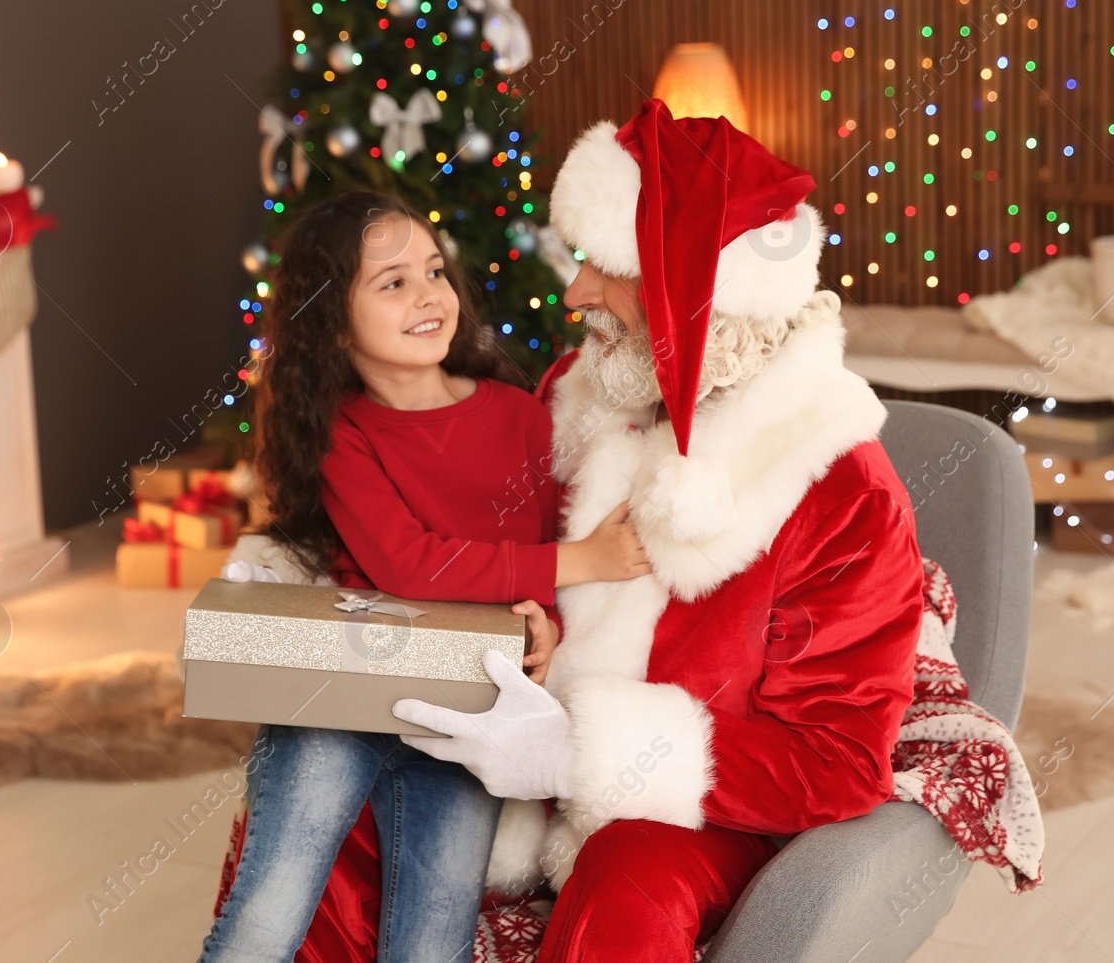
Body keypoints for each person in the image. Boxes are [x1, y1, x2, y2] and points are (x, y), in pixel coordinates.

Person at [388, 98, 930, 961]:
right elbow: (496, 551)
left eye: (604, 267)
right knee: (347, 813)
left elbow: (837, 762)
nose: (574, 294)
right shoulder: (577, 393)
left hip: (706, 813)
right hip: (518, 773)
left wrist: (579, 753)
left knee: (628, 879)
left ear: (697, 285)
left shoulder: (839, 485)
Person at [195, 188, 651, 963]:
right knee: (268, 913)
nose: (427, 293)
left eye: (434, 270)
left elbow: (545, 557)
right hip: (338, 703)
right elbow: (413, 562)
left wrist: (551, 620)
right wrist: (577, 561)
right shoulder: (344, 435)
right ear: (334, 324)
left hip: (467, 721)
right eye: (392, 281)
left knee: (433, 944)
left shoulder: (518, 415)